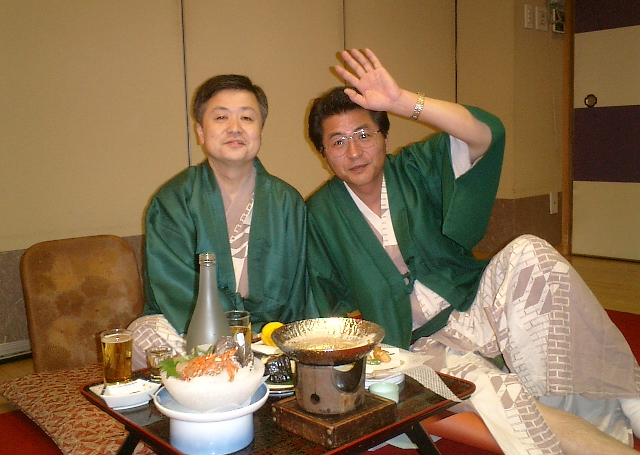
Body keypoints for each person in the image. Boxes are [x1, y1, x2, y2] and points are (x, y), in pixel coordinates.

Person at [305, 48, 640, 454]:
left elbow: (485, 134)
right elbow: (316, 299)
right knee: (494, 395)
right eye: (338, 142)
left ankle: (630, 399)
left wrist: (402, 101)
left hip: (475, 303)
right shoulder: (320, 213)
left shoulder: (413, 168)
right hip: (418, 345)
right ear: (323, 154)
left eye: (364, 135)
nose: (355, 152)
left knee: (530, 251)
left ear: (384, 136)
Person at [128, 74, 318, 369]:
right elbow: (175, 290)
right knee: (142, 335)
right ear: (200, 132)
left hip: (267, 337)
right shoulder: (174, 199)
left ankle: (237, 374)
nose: (235, 127)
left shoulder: (287, 202)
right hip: (189, 331)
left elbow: (299, 293)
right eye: (220, 117)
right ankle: (224, 372)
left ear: (260, 130)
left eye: (247, 117)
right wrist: (227, 342)